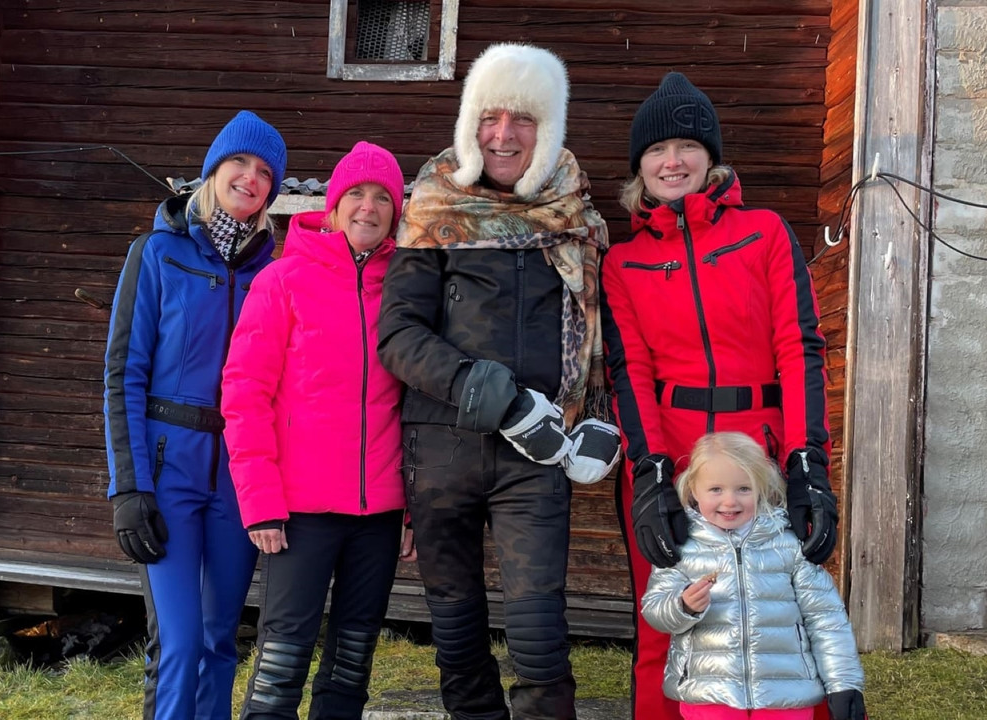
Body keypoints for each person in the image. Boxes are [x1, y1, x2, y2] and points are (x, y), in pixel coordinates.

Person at [377, 43, 622, 720]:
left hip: (538, 453)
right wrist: (497, 397)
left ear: (549, 130)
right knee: (455, 626)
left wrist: (601, 412)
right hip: (442, 445)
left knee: (539, 626)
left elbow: (599, 325)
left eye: (524, 119)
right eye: (491, 116)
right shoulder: (433, 206)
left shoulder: (573, 215)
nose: (504, 133)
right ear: (470, 123)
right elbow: (397, 334)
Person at [600, 72, 839, 720]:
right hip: (671, 456)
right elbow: (631, 373)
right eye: (656, 150)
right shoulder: (621, 264)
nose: (672, 161)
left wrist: (807, 460)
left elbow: (800, 347)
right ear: (639, 167)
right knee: (667, 619)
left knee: (782, 612)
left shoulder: (764, 233)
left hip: (762, 449)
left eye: (686, 146)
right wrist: (649, 475)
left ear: (711, 158)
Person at [221, 141, 415, 720]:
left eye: (383, 197)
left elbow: (417, 405)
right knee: (283, 654)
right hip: (298, 511)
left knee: (353, 659)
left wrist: (413, 508)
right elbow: (245, 392)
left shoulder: (406, 289)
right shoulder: (283, 281)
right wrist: (259, 502)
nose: (368, 206)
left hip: (379, 511)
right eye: (355, 193)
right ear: (332, 206)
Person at [103, 110, 287, 720]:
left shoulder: (275, 274)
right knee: (179, 644)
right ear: (214, 170)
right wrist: (129, 486)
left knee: (219, 642)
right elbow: (123, 374)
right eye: (240, 163)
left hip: (239, 480)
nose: (251, 178)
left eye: (265, 172)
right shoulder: (157, 253)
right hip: (168, 472)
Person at [642, 432, 867, 720]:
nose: (730, 501)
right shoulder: (680, 547)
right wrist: (682, 606)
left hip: (786, 696)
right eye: (716, 490)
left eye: (743, 489)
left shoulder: (790, 543)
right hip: (710, 694)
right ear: (693, 490)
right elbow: (654, 610)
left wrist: (843, 683)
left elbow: (827, 619)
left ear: (761, 488)